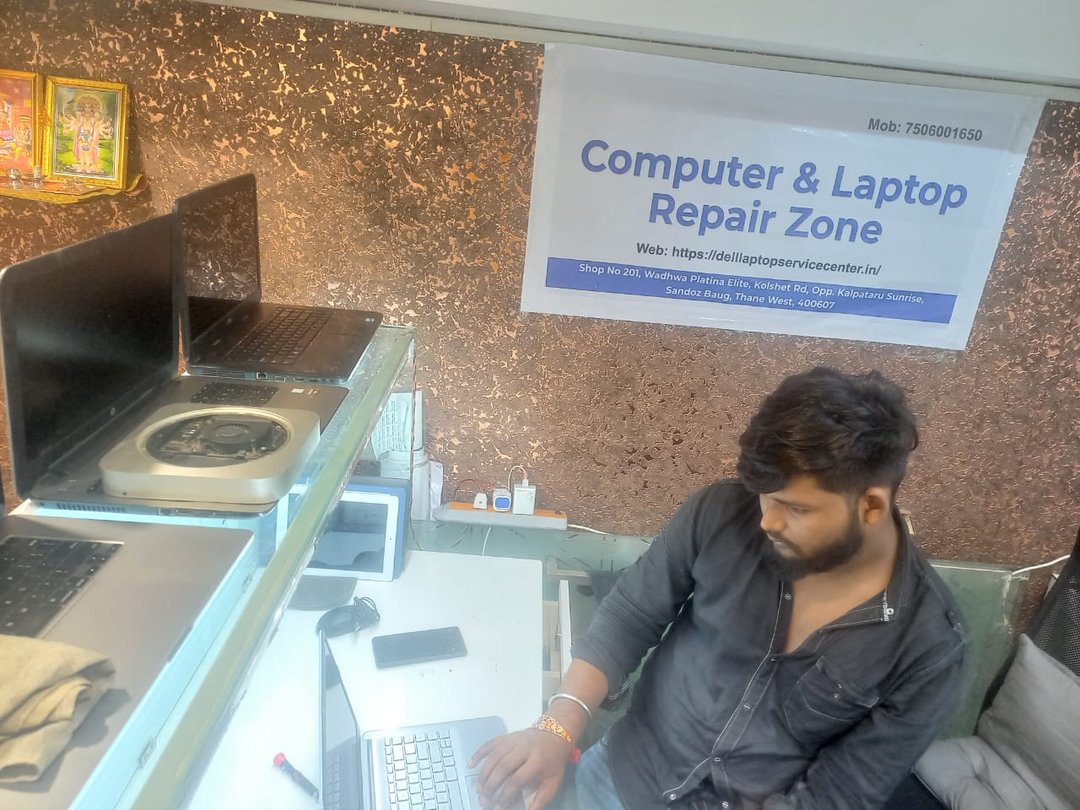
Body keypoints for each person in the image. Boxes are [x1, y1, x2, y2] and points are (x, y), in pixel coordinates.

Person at [470, 367, 967, 809]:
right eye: (765, 497)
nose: (768, 521)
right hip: (621, 776)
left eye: (796, 508)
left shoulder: (931, 651)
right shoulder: (720, 514)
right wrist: (557, 727)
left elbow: (840, 794)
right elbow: (629, 617)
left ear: (871, 507)